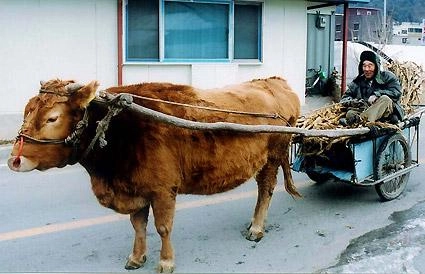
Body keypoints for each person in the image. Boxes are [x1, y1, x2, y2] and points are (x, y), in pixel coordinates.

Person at [339, 50, 404, 126]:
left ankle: (361, 121)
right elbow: (344, 99)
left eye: (370, 66)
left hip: (386, 110)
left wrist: (377, 94)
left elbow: (396, 93)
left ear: (376, 67)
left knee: (385, 99)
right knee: (350, 113)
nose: (366, 69)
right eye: (364, 66)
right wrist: (354, 102)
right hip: (366, 109)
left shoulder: (388, 77)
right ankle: (365, 119)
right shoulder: (358, 82)